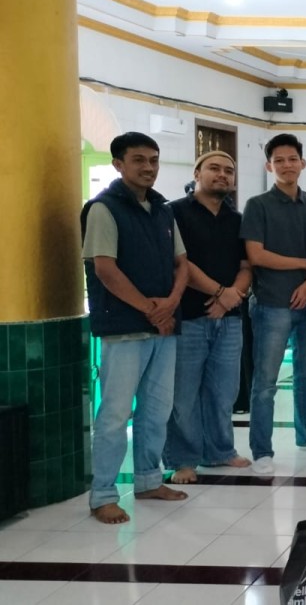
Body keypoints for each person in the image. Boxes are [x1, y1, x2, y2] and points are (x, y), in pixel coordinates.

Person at [82, 132, 190, 523]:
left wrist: (173, 302)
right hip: (125, 327)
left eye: (154, 160)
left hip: (163, 327)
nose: (148, 168)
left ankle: (147, 480)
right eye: (139, 160)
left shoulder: (162, 210)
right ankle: (104, 494)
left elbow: (182, 263)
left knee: (157, 409)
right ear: (118, 164)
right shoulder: (103, 209)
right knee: (114, 414)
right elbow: (105, 269)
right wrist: (151, 309)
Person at [163, 151, 252, 485]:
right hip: (189, 317)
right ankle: (183, 459)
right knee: (183, 394)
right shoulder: (174, 213)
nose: (222, 175)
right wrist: (219, 293)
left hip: (229, 318)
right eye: (214, 168)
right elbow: (181, 263)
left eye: (229, 170)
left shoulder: (237, 219)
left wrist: (231, 298)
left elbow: (247, 267)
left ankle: (220, 450)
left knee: (223, 391)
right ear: (197, 172)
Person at [241, 133, 306, 474]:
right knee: (266, 381)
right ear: (269, 165)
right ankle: (262, 450)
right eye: (280, 161)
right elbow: (256, 255)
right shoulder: (258, 205)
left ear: (303, 163)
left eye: (293, 159)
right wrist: (303, 265)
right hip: (272, 304)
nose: (287, 165)